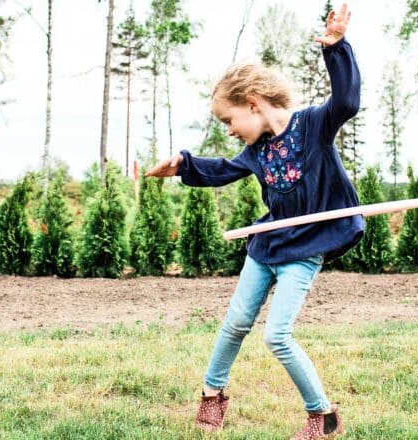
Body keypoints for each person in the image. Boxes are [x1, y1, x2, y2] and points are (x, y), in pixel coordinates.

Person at [146, 3, 359, 438]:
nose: (228, 128)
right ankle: (212, 395)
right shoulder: (256, 151)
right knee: (236, 323)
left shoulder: (314, 125)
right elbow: (222, 169)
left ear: (253, 103)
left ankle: (322, 416)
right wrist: (183, 165)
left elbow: (347, 102)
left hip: (304, 250)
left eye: (229, 119)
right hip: (267, 245)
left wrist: (336, 50)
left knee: (277, 336)